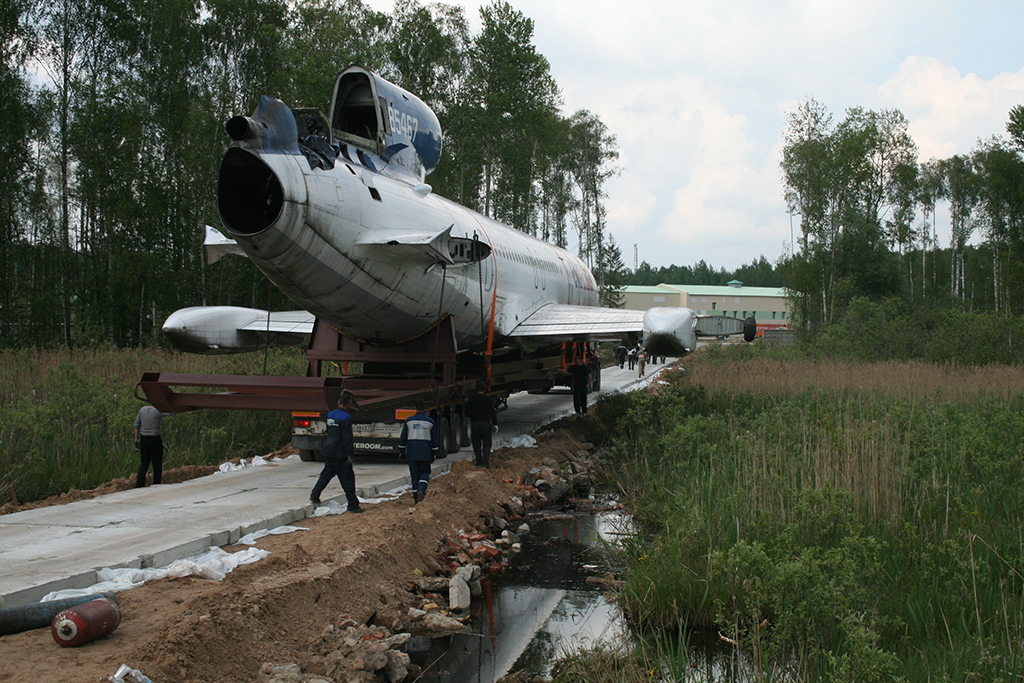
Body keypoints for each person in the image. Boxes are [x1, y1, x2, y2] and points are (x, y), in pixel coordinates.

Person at [310, 390, 363, 513]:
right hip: (340, 451)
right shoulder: (346, 417)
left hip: (329, 449)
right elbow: (347, 438)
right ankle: (353, 505)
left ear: (339, 403)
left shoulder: (331, 414)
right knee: (347, 479)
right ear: (349, 405)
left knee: (326, 474)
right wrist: (350, 454)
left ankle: (314, 494)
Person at [398, 399, 438, 504]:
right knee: (425, 472)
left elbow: (403, 438)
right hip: (425, 453)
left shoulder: (409, 421)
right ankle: (422, 489)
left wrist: (402, 451)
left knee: (414, 475)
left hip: (412, 453)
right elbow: (435, 440)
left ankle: (416, 498)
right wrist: (434, 453)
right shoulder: (430, 422)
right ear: (425, 408)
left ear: (415, 408)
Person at [133, 404, 173, 488]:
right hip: (155, 439)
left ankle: (139, 484)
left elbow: (136, 425)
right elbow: (172, 413)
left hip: (144, 439)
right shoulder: (158, 410)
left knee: (144, 463)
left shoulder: (142, 409)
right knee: (157, 463)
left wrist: (136, 439)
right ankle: (156, 483)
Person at [464, 381, 498, 468]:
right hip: (486, 423)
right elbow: (492, 413)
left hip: (475, 423)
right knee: (487, 443)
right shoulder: (488, 399)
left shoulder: (472, 399)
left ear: (476, 389)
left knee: (476, 443)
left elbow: (466, 412)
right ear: (485, 389)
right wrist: (495, 423)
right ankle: (485, 461)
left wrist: (473, 415)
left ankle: (478, 461)